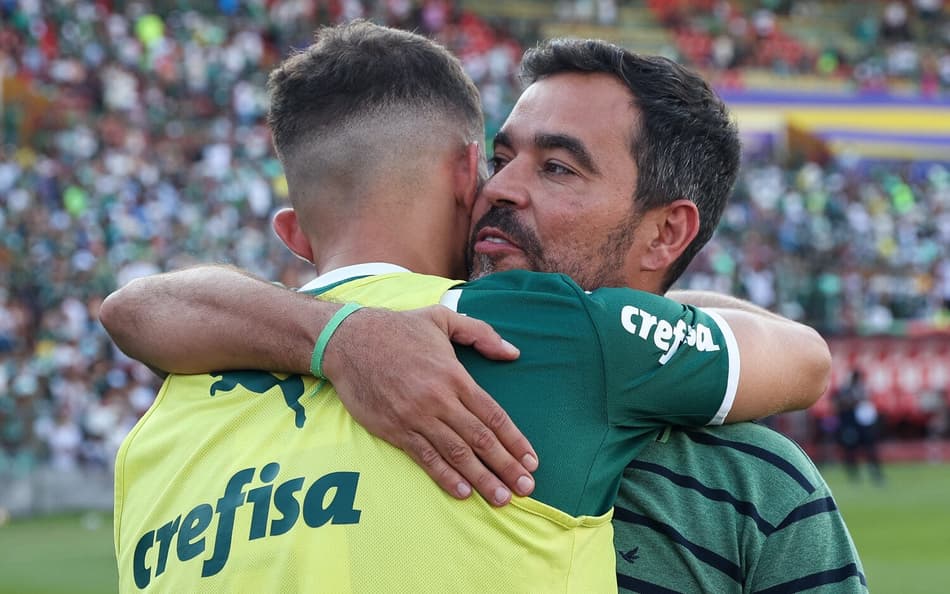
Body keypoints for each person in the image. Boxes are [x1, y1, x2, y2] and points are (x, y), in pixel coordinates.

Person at [100, 23, 853, 592]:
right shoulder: (543, 338)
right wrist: (342, 339)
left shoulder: (163, 424)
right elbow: (803, 356)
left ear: (666, 233)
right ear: (465, 174)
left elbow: (133, 307)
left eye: (555, 167)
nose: (500, 189)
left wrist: (339, 337)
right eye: (499, 159)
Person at [834, 369, 884, 484]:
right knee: (851, 451)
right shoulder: (845, 391)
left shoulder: (862, 390)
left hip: (863, 426)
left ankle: (875, 474)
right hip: (850, 425)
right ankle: (855, 476)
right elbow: (839, 405)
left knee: (869, 450)